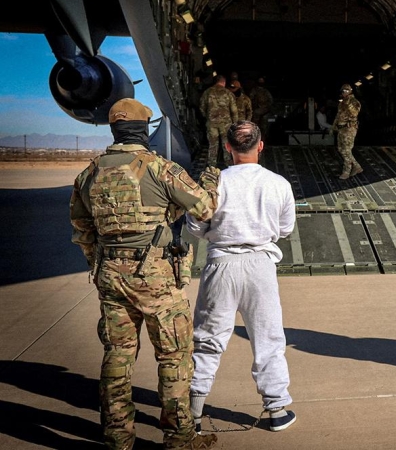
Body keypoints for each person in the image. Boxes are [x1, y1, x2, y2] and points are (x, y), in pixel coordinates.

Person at [69, 98, 219, 450]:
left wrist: (101, 262)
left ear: (115, 129)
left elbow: (82, 229)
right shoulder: (160, 168)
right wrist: (211, 179)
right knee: (174, 354)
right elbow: (205, 207)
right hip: (155, 277)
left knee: (118, 353)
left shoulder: (88, 173)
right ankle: (180, 437)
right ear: (143, 130)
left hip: (110, 274)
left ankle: (118, 436)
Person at [186, 120, 298, 433]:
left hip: (220, 265)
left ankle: (193, 413)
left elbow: (195, 227)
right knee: (268, 339)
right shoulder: (278, 184)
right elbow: (286, 229)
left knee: (208, 340)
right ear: (261, 146)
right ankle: (276, 410)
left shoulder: (213, 184)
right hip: (260, 266)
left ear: (228, 148)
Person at [200, 74, 238, 167]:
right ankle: (228, 164)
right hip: (225, 123)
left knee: (213, 145)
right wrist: (235, 123)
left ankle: (211, 166)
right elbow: (234, 110)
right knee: (226, 144)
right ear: (224, 82)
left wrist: (207, 117)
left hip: (212, 123)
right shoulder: (228, 93)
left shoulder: (207, 92)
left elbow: (202, 107)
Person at [332, 83, 363, 179]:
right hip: (341, 128)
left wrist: (348, 104)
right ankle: (357, 167)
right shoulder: (342, 103)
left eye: (346, 90)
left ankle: (346, 171)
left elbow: (354, 113)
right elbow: (338, 115)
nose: (344, 92)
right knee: (341, 149)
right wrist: (334, 126)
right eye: (343, 91)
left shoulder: (354, 102)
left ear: (350, 91)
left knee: (346, 150)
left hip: (349, 128)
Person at [250, 76, 274, 142]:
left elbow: (271, 101)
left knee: (264, 128)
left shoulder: (266, 91)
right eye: (260, 81)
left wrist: (265, 107)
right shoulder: (254, 90)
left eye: (262, 81)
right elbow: (250, 99)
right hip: (256, 111)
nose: (261, 82)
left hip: (264, 111)